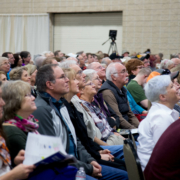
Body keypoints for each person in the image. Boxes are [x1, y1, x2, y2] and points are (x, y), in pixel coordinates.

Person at [32, 64, 128, 180]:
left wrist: (90, 160)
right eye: (63, 77)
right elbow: (54, 156)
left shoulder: (61, 104)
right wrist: (88, 167)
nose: (67, 79)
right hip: (63, 170)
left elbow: (75, 139)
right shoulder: (42, 110)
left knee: (125, 172)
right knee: (124, 174)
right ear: (49, 84)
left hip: (78, 162)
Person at [62, 68, 127, 173]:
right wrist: (97, 153)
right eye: (75, 78)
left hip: (98, 146)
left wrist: (98, 151)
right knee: (127, 162)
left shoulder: (83, 102)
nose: (78, 81)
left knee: (130, 154)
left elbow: (114, 118)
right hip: (96, 148)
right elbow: (85, 137)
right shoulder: (71, 106)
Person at [137, 75, 180, 171]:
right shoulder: (160, 118)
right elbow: (167, 153)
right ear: (163, 96)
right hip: (160, 172)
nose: (178, 87)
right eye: (172, 86)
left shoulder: (164, 113)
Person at [0, 81, 35, 179]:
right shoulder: (12, 132)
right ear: (15, 101)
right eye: (28, 95)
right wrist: (13, 174)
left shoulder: (29, 126)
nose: (2, 103)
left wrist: (15, 163)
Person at [80, 70, 125, 145]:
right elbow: (94, 134)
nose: (100, 80)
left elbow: (115, 117)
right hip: (106, 142)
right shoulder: (83, 106)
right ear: (81, 89)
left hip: (113, 136)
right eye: (90, 84)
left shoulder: (94, 103)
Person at [99, 62, 139, 129]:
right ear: (113, 77)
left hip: (128, 128)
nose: (127, 74)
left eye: (126, 71)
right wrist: (135, 130)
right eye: (123, 72)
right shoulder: (107, 92)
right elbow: (118, 118)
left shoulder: (122, 89)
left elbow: (130, 114)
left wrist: (139, 128)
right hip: (120, 131)